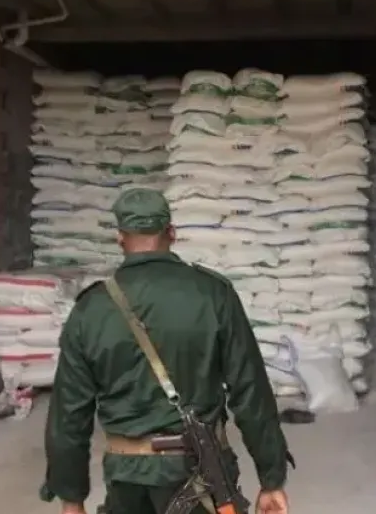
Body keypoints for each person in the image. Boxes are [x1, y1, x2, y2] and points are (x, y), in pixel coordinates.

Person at [40, 188, 292, 514]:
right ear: (171, 233)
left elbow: (68, 416)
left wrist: (71, 499)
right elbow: (251, 391)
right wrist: (271, 478)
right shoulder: (213, 294)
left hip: (128, 479)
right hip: (202, 477)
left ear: (120, 238)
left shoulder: (91, 309)